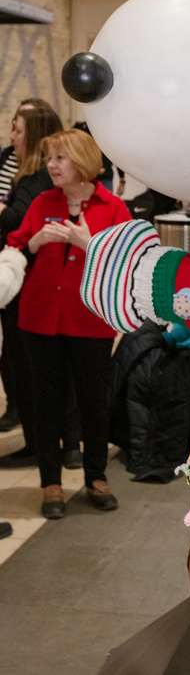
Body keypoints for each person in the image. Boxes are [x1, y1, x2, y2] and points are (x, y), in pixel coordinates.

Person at [8, 129, 131, 519]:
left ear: (81, 161)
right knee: (46, 402)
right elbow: (15, 248)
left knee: (93, 402)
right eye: (50, 158)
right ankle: (51, 484)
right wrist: (34, 242)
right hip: (39, 318)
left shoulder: (113, 207)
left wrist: (88, 244)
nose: (51, 165)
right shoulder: (42, 202)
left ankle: (96, 478)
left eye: (59, 158)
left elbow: (129, 264)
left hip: (90, 320)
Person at [0, 106, 63, 461]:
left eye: (18, 130)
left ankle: (42, 446)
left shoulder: (36, 181)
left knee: (30, 366)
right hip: (23, 277)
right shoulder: (22, 170)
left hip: (25, 280)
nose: (12, 137)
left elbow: (17, 221)